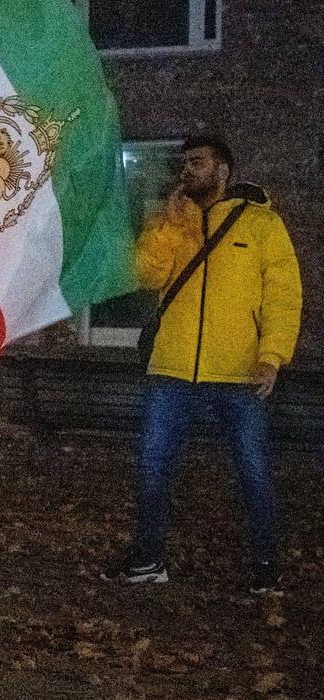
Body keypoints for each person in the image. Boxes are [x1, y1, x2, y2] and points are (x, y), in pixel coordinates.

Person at [107, 133, 302, 594]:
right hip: (171, 368)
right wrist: (166, 225)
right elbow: (147, 275)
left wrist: (272, 356)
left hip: (238, 372)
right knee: (153, 464)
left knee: (252, 468)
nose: (186, 170)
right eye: (184, 162)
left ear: (222, 170)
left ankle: (266, 567)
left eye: (197, 162)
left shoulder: (261, 224)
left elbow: (283, 295)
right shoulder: (173, 218)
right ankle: (149, 560)